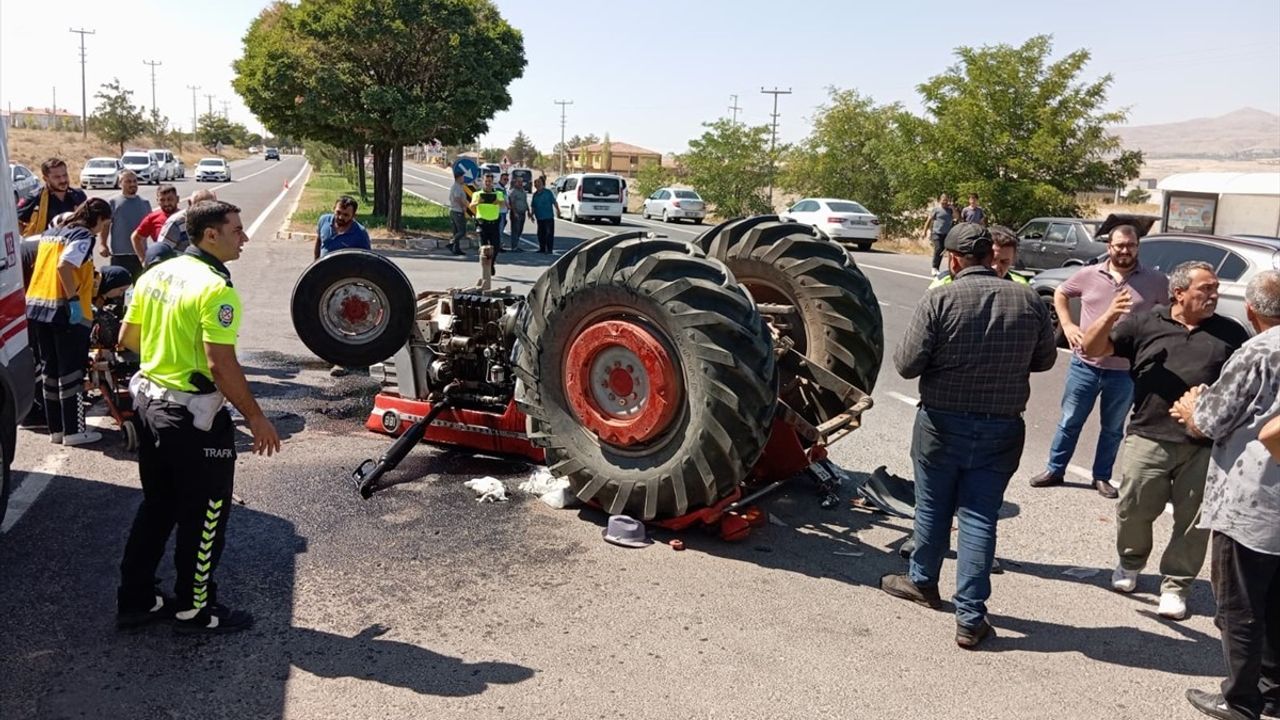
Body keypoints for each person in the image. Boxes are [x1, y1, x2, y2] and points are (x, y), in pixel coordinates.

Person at [881, 223, 1057, 649]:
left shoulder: (940, 298)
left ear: (954, 259)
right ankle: (970, 617)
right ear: (988, 256)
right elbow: (1046, 359)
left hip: (942, 423)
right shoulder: (1029, 299)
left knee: (932, 507)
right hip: (1001, 425)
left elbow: (906, 364)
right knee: (979, 517)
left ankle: (923, 582)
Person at [117, 200, 282, 635]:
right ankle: (195, 608)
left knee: (158, 506)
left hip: (151, 406)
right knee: (207, 513)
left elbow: (127, 339)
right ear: (211, 235)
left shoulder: (154, 274)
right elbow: (220, 365)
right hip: (192, 418)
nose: (244, 238)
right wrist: (256, 417)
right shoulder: (216, 289)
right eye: (237, 230)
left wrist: (167, 353)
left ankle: (135, 599)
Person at [1081, 261, 1251, 620]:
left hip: (1204, 443)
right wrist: (1110, 315)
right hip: (1149, 433)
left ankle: (1176, 585)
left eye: (1215, 288)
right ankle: (1130, 561)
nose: (1213, 295)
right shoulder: (1146, 323)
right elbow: (1095, 349)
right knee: (1133, 508)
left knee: (1192, 520)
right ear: (1179, 292)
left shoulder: (1231, 333)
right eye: (1205, 288)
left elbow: (1246, 384)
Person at [1168, 271, 1280, 720]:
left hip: (1252, 500)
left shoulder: (1258, 351)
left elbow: (1210, 421)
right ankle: (1272, 693)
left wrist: (1192, 408)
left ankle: (1240, 701)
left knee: (1240, 607)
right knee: (1274, 604)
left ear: (1252, 312)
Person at [1030, 225, 1169, 499]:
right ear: (1109, 247)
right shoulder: (1089, 274)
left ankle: (1102, 477)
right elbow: (1060, 293)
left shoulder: (1155, 281)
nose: (1125, 250)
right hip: (1085, 366)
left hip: (1125, 371)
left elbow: (1168, 314)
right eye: (1119, 245)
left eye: (1130, 245)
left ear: (1137, 247)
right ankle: (1055, 469)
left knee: (1112, 429)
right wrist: (1068, 325)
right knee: (1070, 421)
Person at [25, 198, 113, 446]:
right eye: (103, 223)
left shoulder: (52, 232)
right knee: (71, 371)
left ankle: (57, 430)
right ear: (97, 218)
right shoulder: (83, 236)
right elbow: (65, 266)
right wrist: (74, 298)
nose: (100, 229)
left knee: (50, 370)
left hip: (38, 306)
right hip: (64, 309)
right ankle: (74, 430)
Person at [928, 225, 1027, 287]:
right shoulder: (943, 283)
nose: (996, 267)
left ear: (1013, 261)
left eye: (1004, 262)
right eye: (993, 259)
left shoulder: (1020, 285)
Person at [147, 190, 217, 268]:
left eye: (210, 206)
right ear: (190, 203)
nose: (205, 211)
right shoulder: (177, 223)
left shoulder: (218, 221)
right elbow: (161, 251)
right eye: (200, 206)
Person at [17, 158, 87, 236]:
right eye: (57, 177)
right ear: (45, 179)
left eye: (65, 175)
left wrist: (102, 244)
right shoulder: (35, 198)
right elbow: (16, 221)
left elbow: (98, 217)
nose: (63, 180)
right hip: (45, 245)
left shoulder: (78, 195)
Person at [102, 171, 152, 278]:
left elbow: (152, 227)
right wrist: (102, 244)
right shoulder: (113, 202)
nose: (132, 184)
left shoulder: (145, 203)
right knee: (117, 290)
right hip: (120, 256)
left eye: (135, 181)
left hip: (141, 255)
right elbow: (105, 226)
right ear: (120, 183)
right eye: (128, 181)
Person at [131, 185, 180, 260]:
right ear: (157, 201)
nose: (166, 203)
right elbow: (136, 237)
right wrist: (143, 260)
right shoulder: (152, 218)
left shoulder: (186, 216)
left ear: (177, 199)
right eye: (162, 200)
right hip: (162, 262)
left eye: (170, 199)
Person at [313, 195, 370, 259]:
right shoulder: (323, 220)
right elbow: (318, 242)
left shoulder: (360, 233)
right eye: (338, 212)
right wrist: (316, 263)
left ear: (354, 216)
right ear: (334, 209)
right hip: (323, 267)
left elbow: (367, 258)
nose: (341, 217)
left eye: (346, 215)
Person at [471, 174, 505, 277]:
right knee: (483, 248)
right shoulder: (477, 194)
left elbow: (503, 204)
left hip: (494, 224)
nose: (488, 183)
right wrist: (478, 202)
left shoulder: (498, 193)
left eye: (490, 181)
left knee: (496, 246)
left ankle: (491, 263)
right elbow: (471, 206)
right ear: (483, 182)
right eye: (486, 181)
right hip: (482, 224)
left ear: (492, 182)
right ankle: (485, 269)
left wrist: (497, 202)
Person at [922, 193, 955, 272]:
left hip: (946, 234)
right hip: (937, 233)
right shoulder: (936, 209)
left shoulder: (950, 210)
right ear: (940, 200)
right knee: (938, 248)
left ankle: (948, 269)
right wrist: (924, 231)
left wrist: (953, 208)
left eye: (946, 200)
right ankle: (934, 267)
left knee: (944, 251)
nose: (945, 202)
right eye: (943, 200)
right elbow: (929, 220)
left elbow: (957, 217)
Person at [529, 176, 558, 254]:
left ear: (542, 184)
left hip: (548, 217)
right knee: (540, 234)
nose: (537, 185)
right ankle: (542, 248)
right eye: (536, 184)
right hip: (540, 218)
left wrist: (558, 210)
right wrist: (531, 215)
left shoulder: (548, 192)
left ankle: (549, 249)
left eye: (539, 183)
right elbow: (533, 205)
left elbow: (554, 202)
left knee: (549, 234)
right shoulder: (535, 195)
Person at [447, 170, 468, 256]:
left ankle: (456, 249)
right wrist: (463, 206)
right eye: (462, 177)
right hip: (457, 211)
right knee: (462, 231)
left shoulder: (458, 186)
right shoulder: (457, 187)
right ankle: (452, 243)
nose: (463, 179)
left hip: (454, 211)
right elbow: (457, 198)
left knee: (456, 232)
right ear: (459, 178)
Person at [506, 175, 528, 252]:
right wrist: (514, 213)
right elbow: (512, 203)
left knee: (520, 230)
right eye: (519, 182)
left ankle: (516, 245)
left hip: (523, 213)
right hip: (516, 213)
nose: (520, 183)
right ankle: (514, 247)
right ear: (515, 183)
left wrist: (528, 211)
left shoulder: (523, 191)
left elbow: (525, 201)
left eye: (521, 182)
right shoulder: (513, 192)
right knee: (515, 230)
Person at [496, 172, 510, 246]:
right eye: (504, 179)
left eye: (507, 179)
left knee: (501, 229)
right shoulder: (498, 188)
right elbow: (502, 200)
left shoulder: (503, 188)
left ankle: (499, 244)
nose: (506, 181)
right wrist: (509, 206)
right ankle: (499, 245)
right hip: (499, 212)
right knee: (499, 230)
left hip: (503, 211)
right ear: (500, 179)